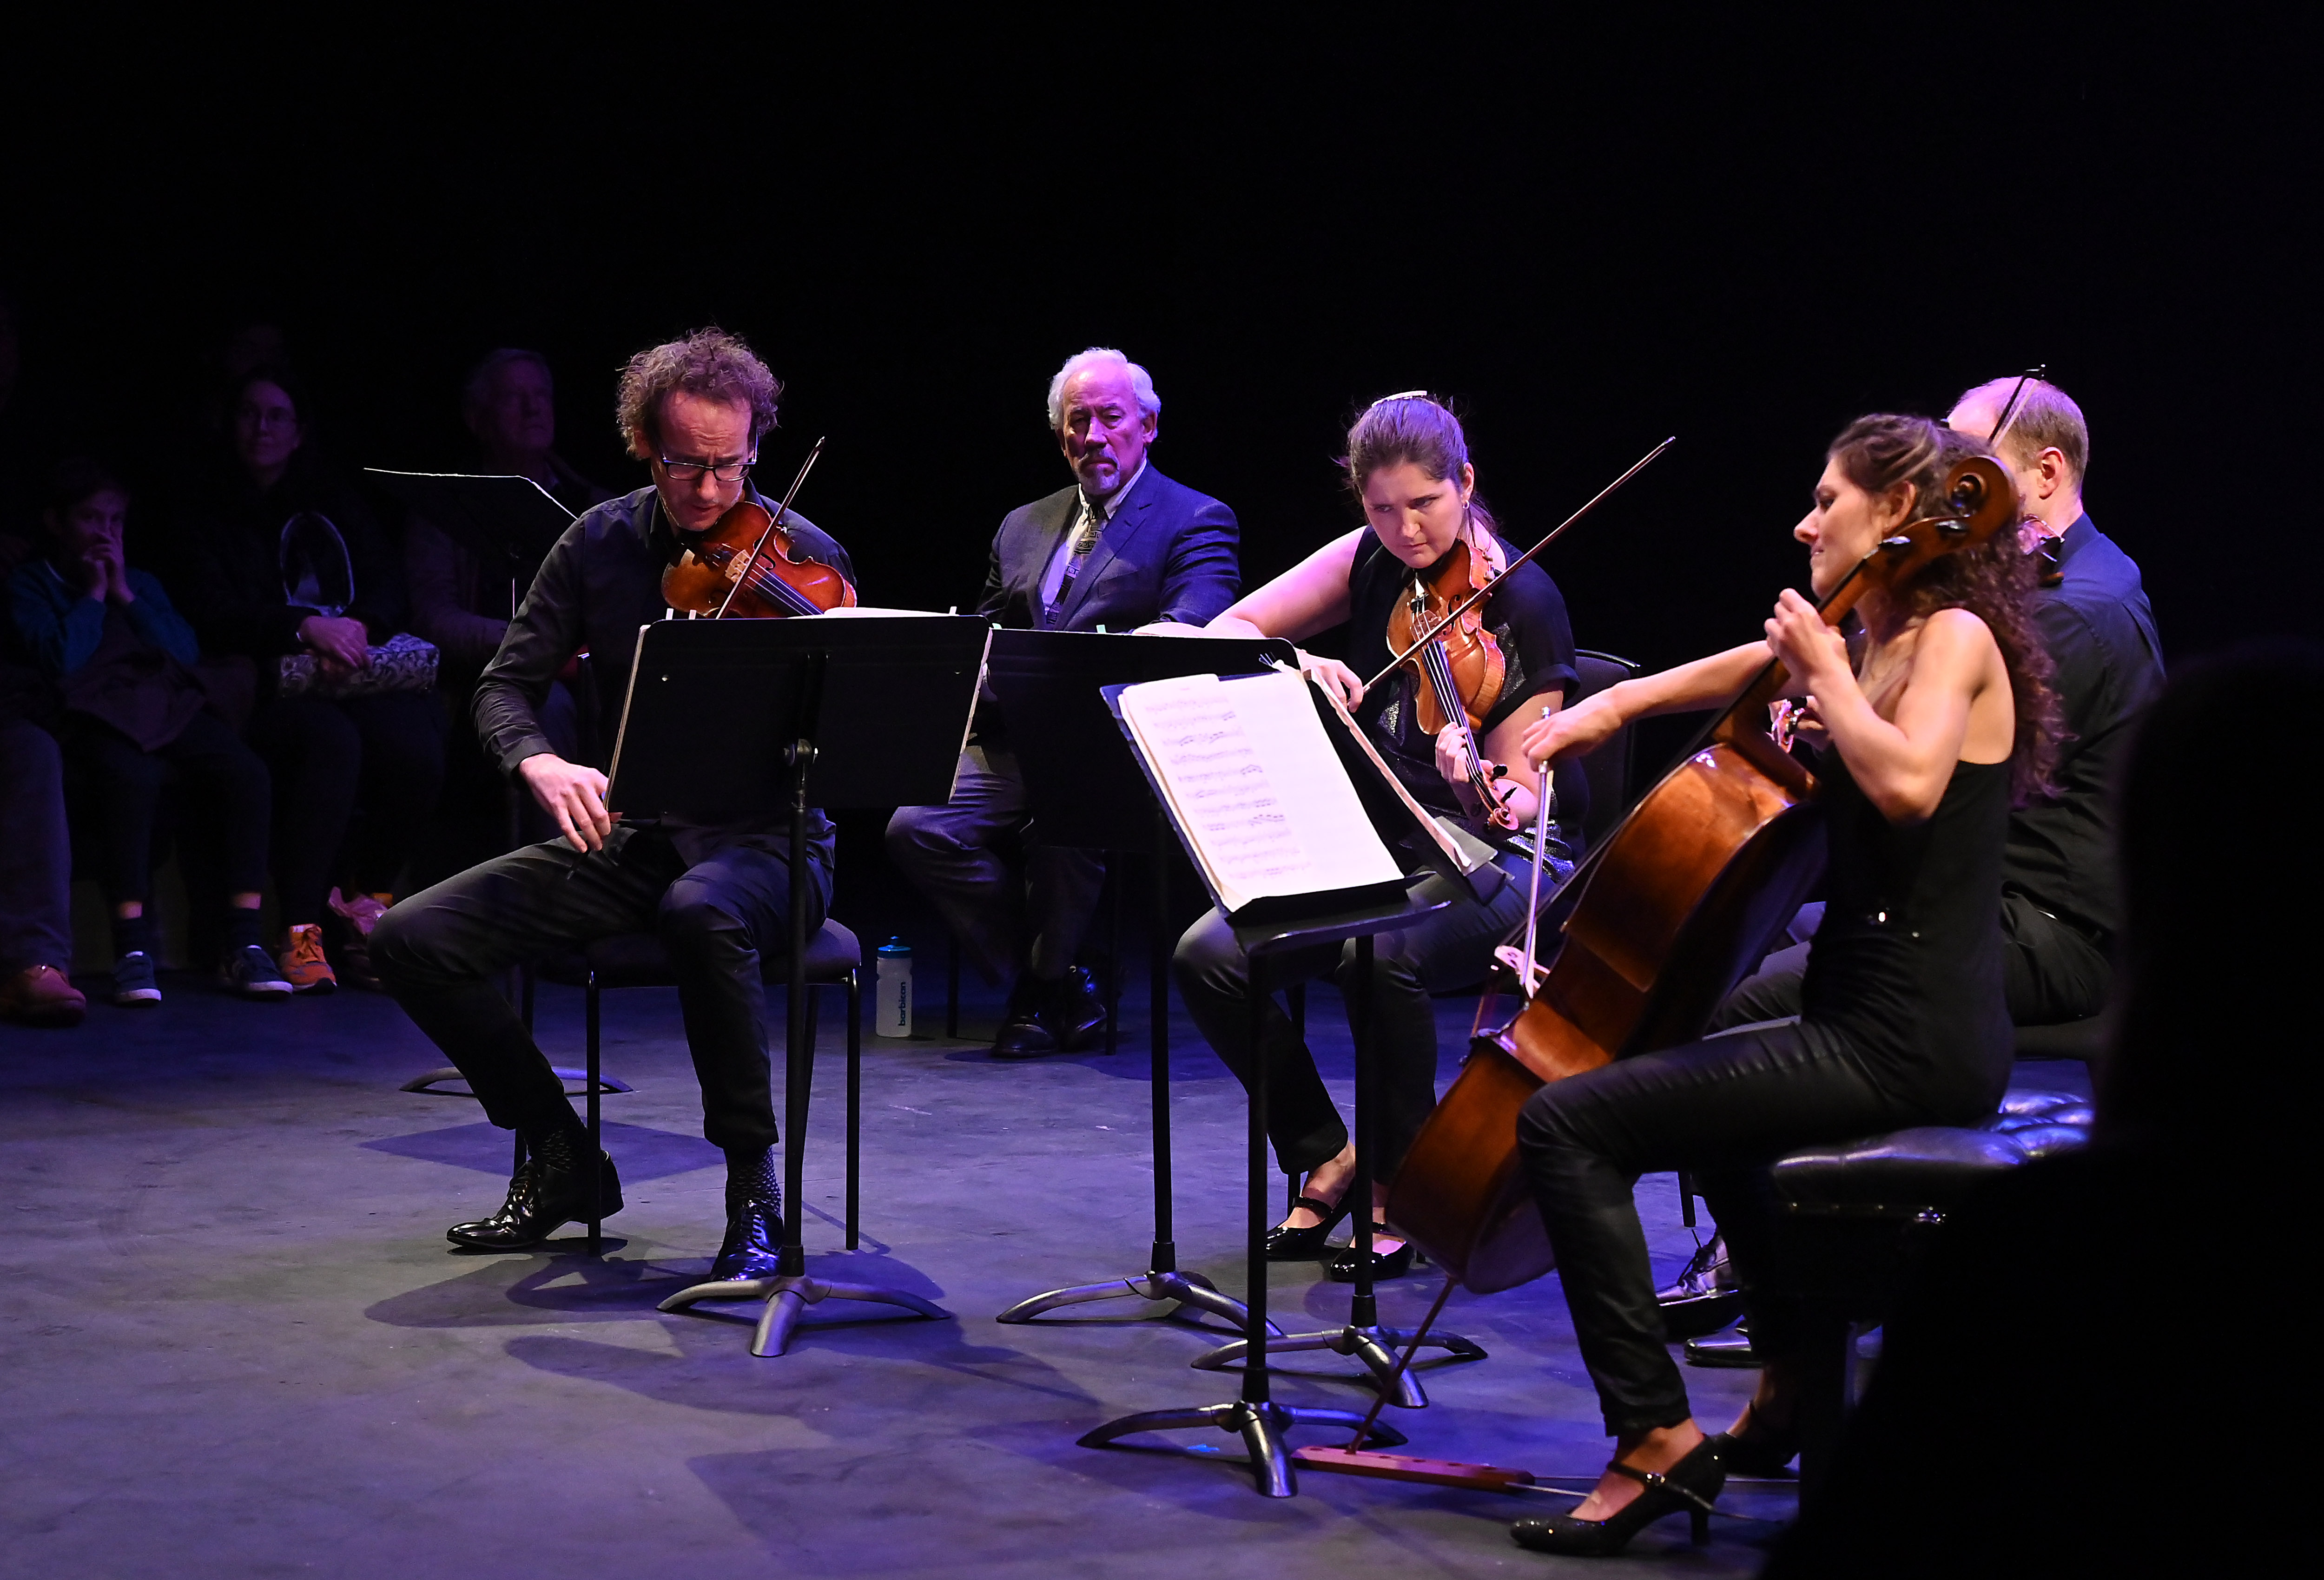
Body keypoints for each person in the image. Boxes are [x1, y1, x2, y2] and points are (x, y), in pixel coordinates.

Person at [1503, 415, 2058, 1556]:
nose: (1806, 522)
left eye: (1827, 500)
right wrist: (1607, 707)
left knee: (1565, 1124)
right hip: (1857, 1011)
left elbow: (1906, 786)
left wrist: (1823, 680)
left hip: (1909, 1034)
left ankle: (1655, 1437)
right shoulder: (1884, 631)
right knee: (1716, 1122)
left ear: (1898, 514)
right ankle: (1795, 1385)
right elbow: (1743, 664)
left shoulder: (1950, 633)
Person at [1762, 641, 2316, 1576]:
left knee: (1764, 996)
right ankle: (1784, 1357)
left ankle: (1780, 1359)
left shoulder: (2044, 1244)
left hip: (2021, 943)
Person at [1664, 376, 2163, 1334]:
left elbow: (1916, 775)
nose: (1942, 484)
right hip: (1974, 902)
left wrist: (1838, 708)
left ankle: (1810, 1279)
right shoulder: (2036, 589)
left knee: (1742, 999)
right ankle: (1794, 1259)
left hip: (2036, 927)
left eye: (1966, 457)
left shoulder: (2067, 611)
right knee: (1769, 948)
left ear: (2044, 472)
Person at [370, 328, 855, 1280]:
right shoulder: (595, 542)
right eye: (686, 465)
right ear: (643, 442)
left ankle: (753, 1187)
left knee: (703, 907)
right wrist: (541, 763)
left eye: (730, 465)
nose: (711, 493)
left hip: (771, 844)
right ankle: (560, 1153)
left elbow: (857, 729)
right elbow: (503, 687)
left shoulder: (806, 557)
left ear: (755, 447)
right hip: (635, 835)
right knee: (411, 939)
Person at [1175, 393, 1585, 1282]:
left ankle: (1397, 1188)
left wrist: (1477, 783)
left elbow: (1521, 795)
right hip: (1385, 844)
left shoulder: (1526, 601)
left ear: (1465, 484)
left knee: (1378, 957)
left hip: (1509, 857)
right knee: (1211, 955)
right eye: (1381, 509)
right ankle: (1325, 1152)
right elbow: (1231, 627)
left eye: (1425, 506)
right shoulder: (1369, 558)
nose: (1403, 530)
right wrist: (1297, 661)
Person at [886, 347, 1240, 1057]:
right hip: (1014, 737)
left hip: (1111, 745)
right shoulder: (1022, 524)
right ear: (1060, 436)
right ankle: (1059, 978)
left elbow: (1195, 630)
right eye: (1079, 421)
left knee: (1066, 823)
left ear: (1148, 426)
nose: (1095, 436)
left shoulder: (1195, 518)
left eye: (1112, 418)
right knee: (914, 826)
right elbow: (984, 631)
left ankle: (1045, 984)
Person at [176, 367, 446, 992]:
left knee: (417, 746)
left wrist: (355, 627)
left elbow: (385, 583)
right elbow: (210, 611)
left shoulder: (330, 497)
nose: (263, 428)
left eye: (278, 416)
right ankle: (300, 929)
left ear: (298, 432)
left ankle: (370, 909)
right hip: (265, 682)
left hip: (350, 671)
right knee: (330, 744)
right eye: (250, 414)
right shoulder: (206, 506)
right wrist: (303, 629)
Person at [7, 461, 286, 1006]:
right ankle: (132, 950)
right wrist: (91, 595)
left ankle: (244, 942)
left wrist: (124, 594)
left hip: (162, 706)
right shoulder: (31, 584)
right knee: (131, 776)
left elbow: (184, 653)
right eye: (90, 518)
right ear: (56, 522)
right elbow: (61, 660)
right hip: (89, 714)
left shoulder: (141, 581)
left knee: (246, 774)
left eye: (115, 520)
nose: (104, 532)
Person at [405, 349, 610, 880]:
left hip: (590, 676)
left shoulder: (594, 508)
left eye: (540, 395)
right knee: (551, 706)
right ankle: (562, 885)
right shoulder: (445, 508)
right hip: (490, 681)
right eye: (514, 398)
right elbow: (435, 617)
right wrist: (538, 650)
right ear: (478, 420)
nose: (533, 408)